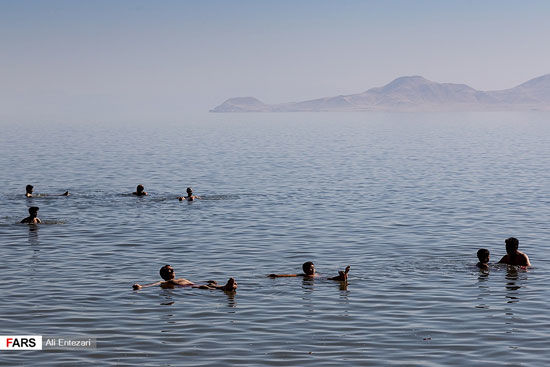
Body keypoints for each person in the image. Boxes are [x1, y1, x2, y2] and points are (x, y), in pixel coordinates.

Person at [132, 265, 237, 291]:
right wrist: (141, 286)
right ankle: (225, 288)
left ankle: (225, 287)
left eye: (173, 269)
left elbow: (193, 282)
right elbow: (153, 284)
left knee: (210, 284)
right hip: (191, 288)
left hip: (194, 284)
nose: (173, 271)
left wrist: (205, 280)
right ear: (164, 274)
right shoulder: (165, 282)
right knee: (205, 287)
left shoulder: (181, 278)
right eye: (170, 270)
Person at [268, 261, 350, 281]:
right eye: (311, 268)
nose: (313, 269)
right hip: (321, 280)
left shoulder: (317, 274)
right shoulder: (304, 276)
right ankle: (343, 276)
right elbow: (290, 275)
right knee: (330, 279)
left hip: (323, 278)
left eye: (313, 268)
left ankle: (343, 276)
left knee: (330, 278)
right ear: (305, 270)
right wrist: (277, 275)